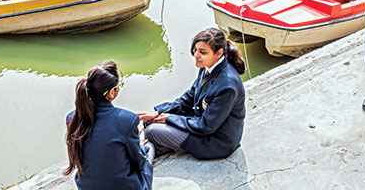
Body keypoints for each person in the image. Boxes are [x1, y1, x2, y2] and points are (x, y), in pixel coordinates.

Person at [139, 28, 246, 160]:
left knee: (152, 131)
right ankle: (155, 147)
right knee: (148, 122)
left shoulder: (227, 85)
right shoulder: (207, 67)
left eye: (202, 52)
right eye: (195, 50)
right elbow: (188, 98)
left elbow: (206, 126)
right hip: (201, 120)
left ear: (219, 53)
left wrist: (168, 118)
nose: (196, 55)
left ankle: (148, 153)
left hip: (216, 141)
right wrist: (159, 112)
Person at [64, 60, 153, 189]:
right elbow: (138, 162)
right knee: (148, 150)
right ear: (111, 92)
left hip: (86, 187)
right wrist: (140, 145)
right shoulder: (128, 120)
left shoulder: (72, 118)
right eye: (118, 86)